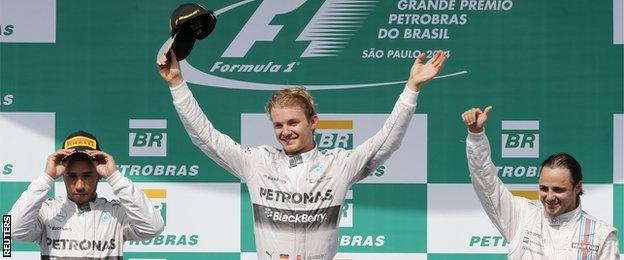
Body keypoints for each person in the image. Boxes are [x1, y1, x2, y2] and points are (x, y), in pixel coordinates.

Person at [157, 50, 446, 260]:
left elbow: (387, 142)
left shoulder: (339, 164)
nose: (285, 132)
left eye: (293, 123)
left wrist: (411, 88)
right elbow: (205, 137)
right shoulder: (257, 162)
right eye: (278, 125)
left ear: (313, 122)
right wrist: (177, 85)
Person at [462, 106, 620, 259]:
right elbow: (486, 184)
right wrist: (476, 136)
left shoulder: (601, 234)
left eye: (558, 190)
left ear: (577, 187)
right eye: (544, 188)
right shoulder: (522, 216)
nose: (549, 196)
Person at [9, 131, 165, 259]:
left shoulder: (116, 213)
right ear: (62, 175)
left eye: (87, 175)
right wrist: (46, 178)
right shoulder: (48, 211)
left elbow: (154, 227)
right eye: (71, 176)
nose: (79, 186)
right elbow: (10, 229)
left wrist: (115, 177)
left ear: (99, 175)